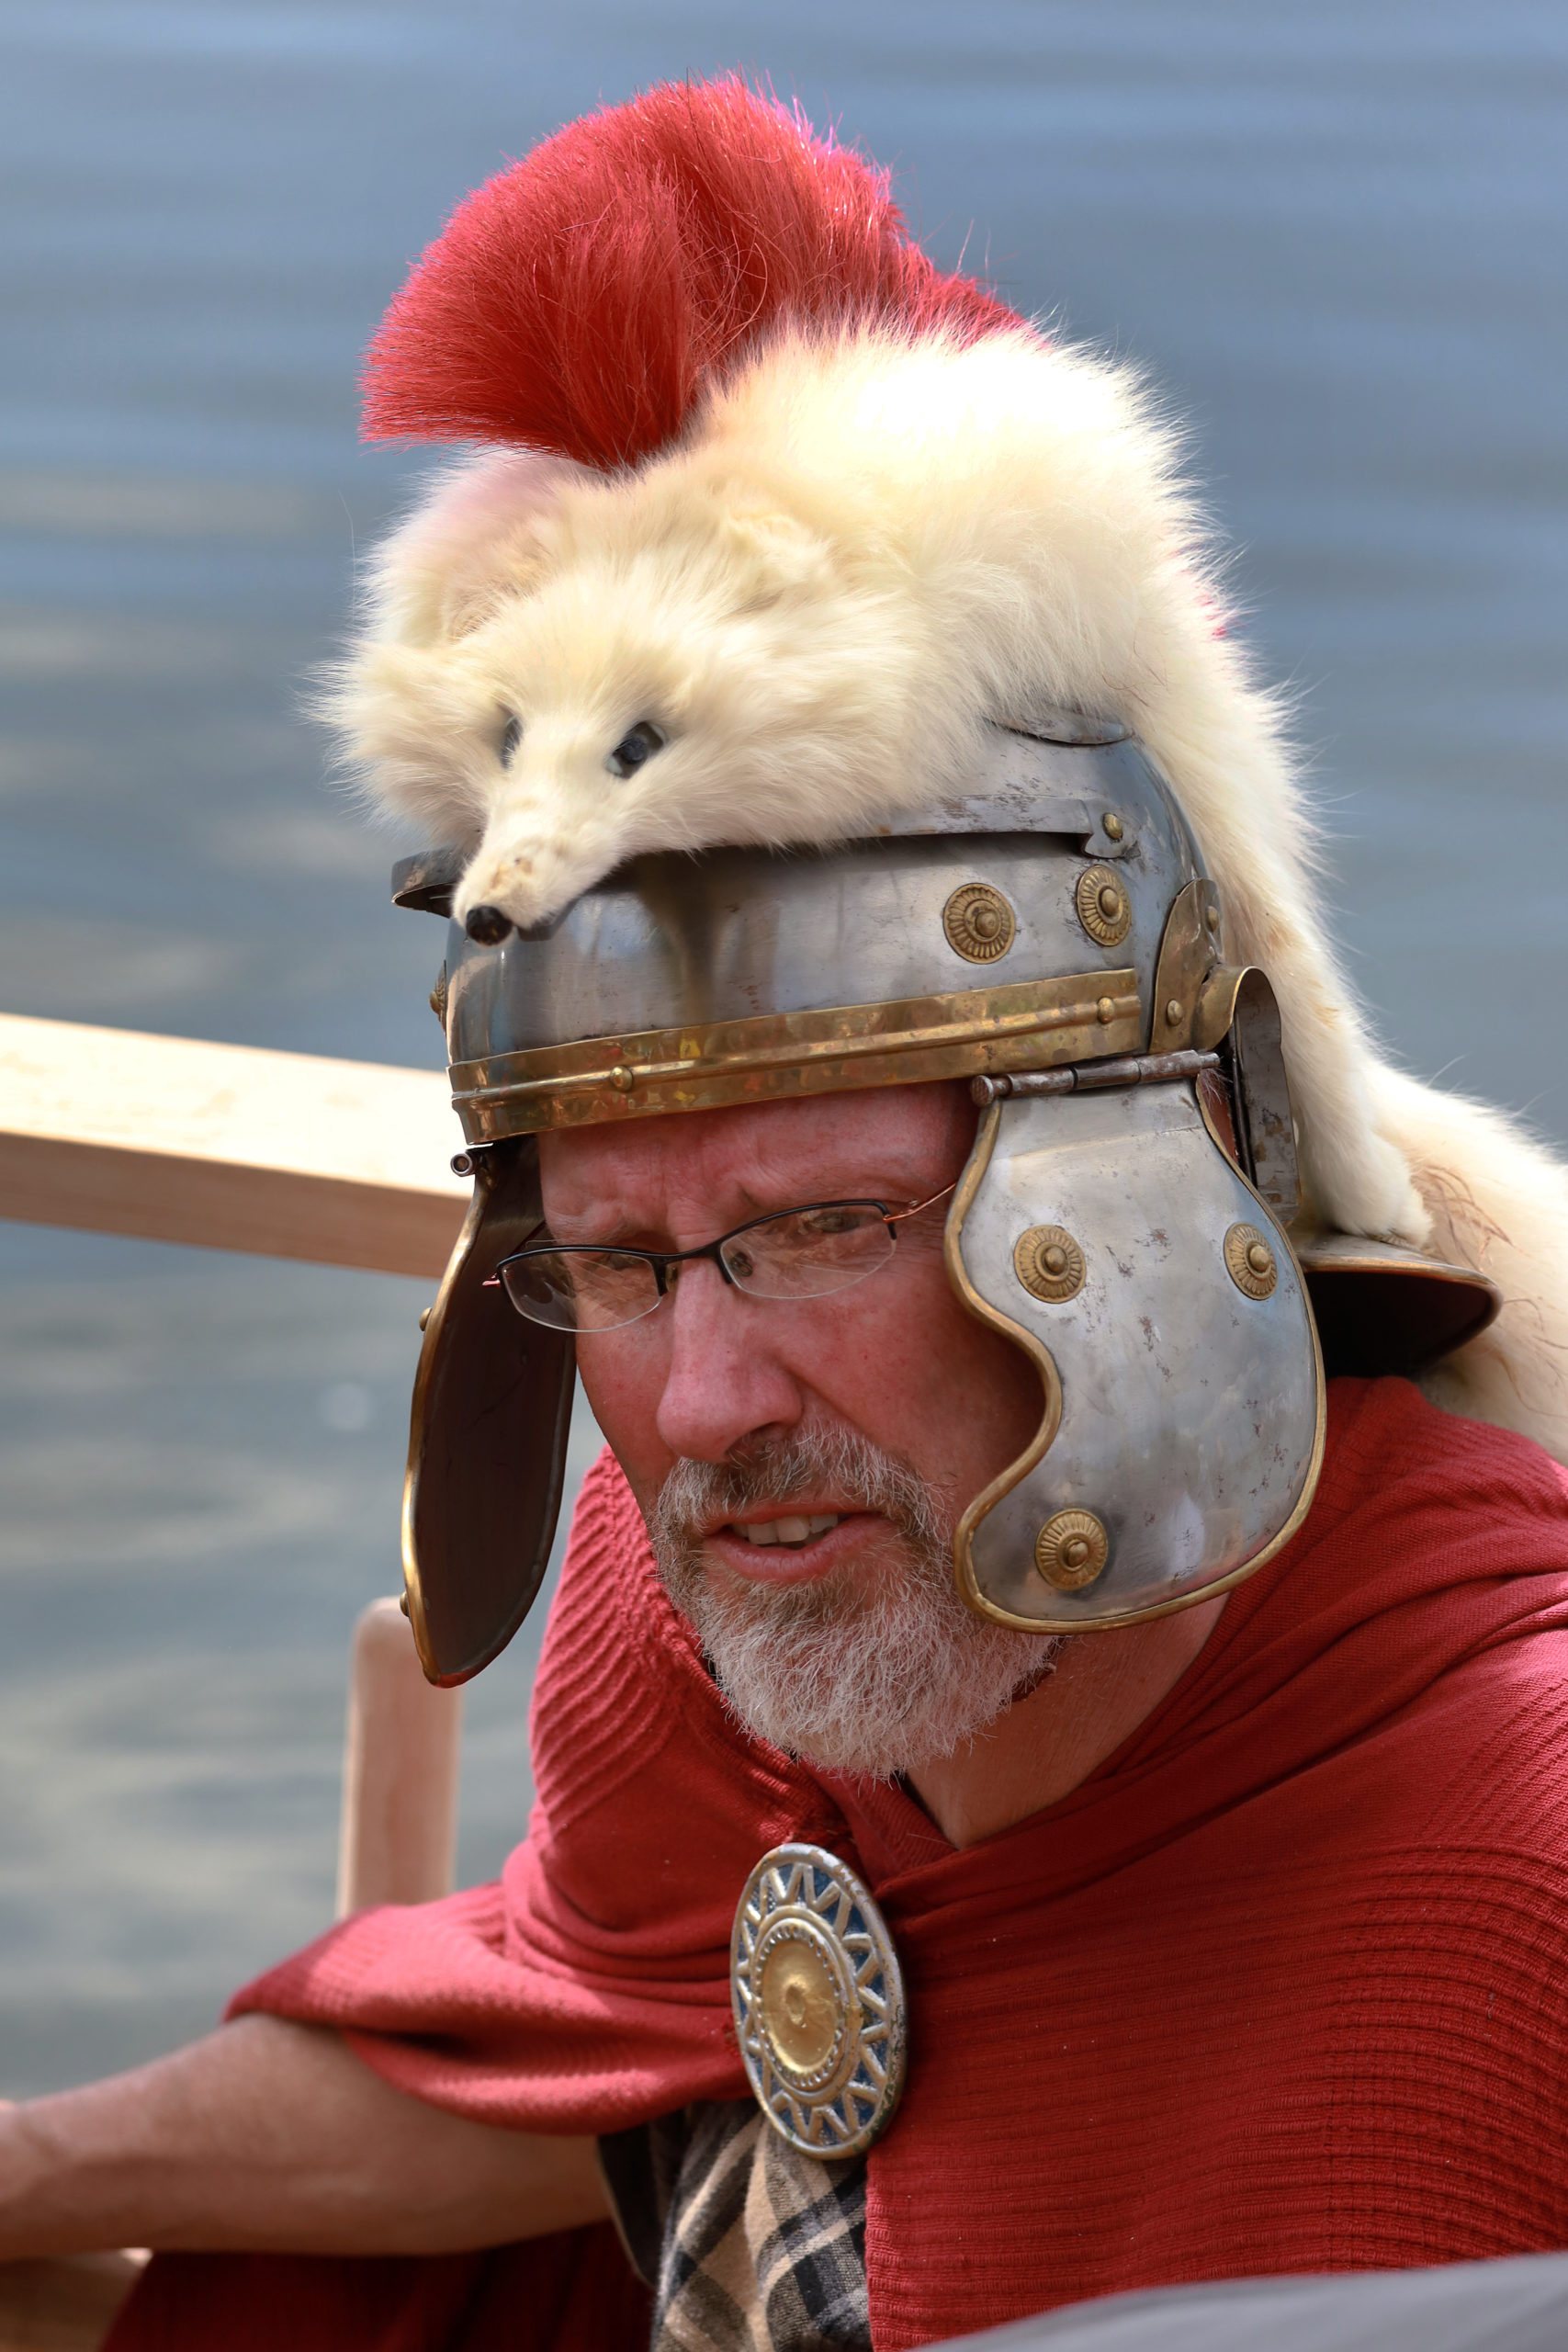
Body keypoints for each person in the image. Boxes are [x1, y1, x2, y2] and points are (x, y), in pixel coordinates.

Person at [4, 77, 1567, 2352]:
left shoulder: (1520, 1846)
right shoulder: (744, 1593)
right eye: (618, 1264)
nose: (703, 1403)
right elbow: (615, 2052)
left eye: (822, 1223)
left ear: (1145, 1198)